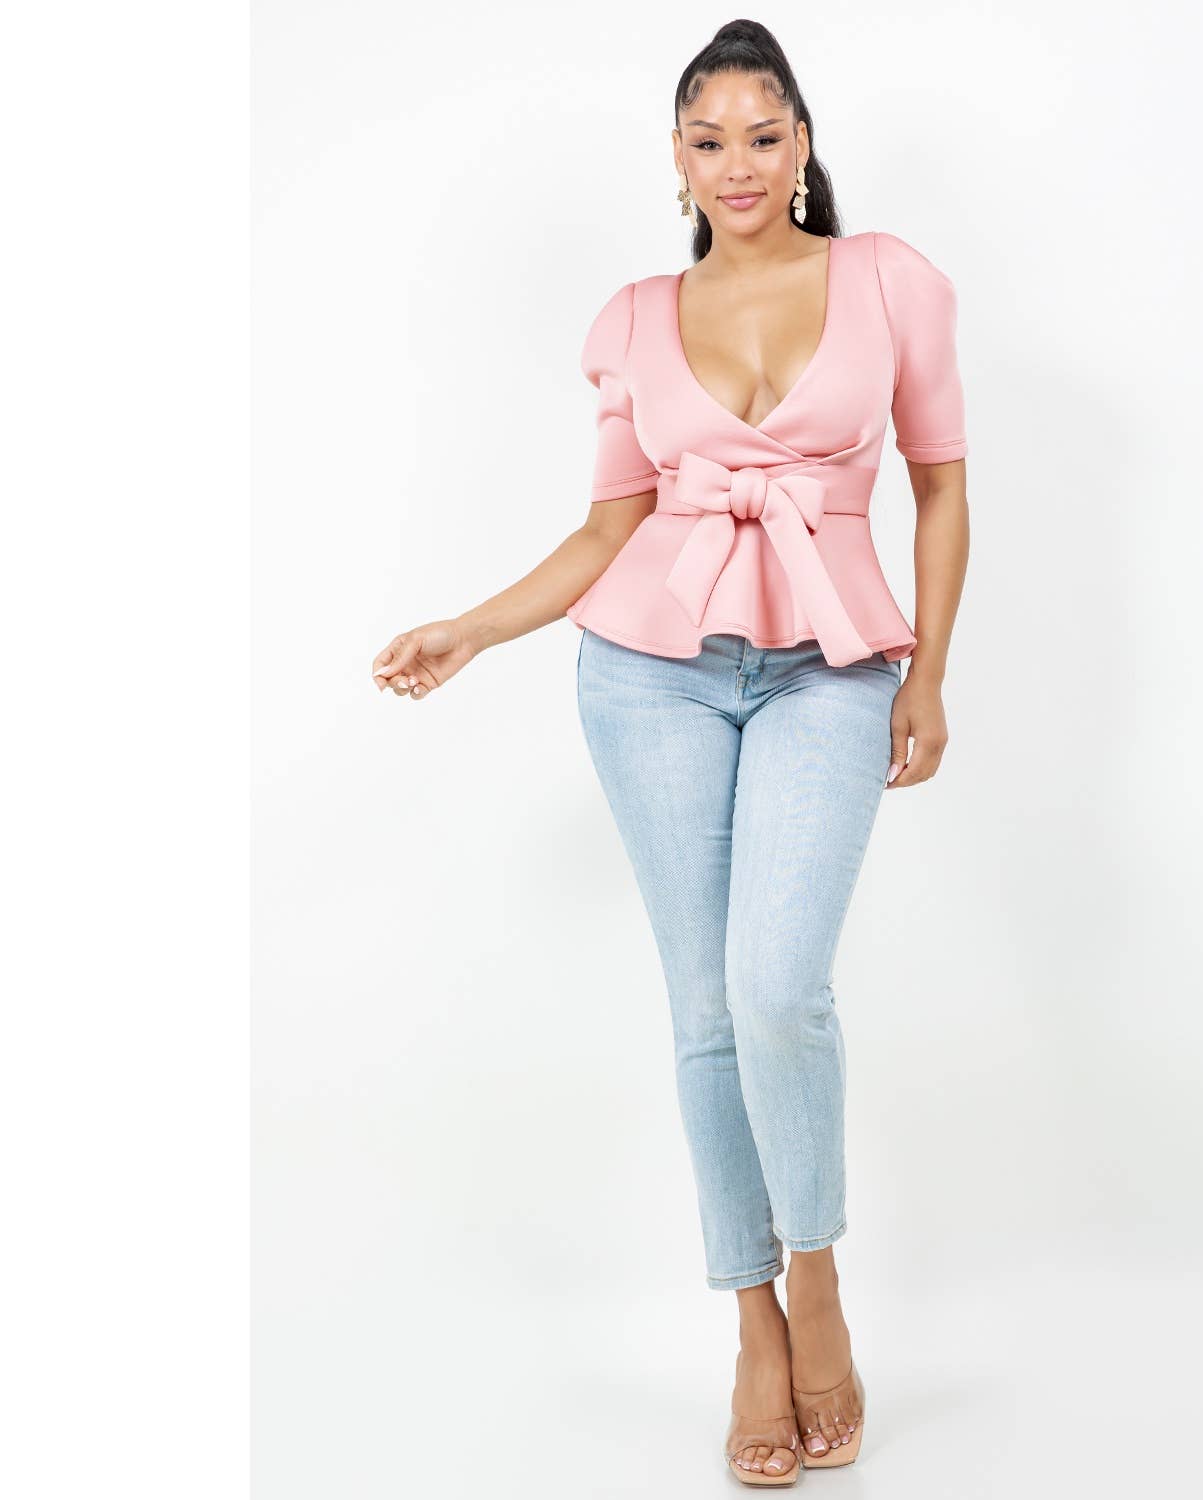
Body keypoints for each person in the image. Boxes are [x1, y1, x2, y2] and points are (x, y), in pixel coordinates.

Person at [369, 20, 970, 1487]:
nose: (738, 163)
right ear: (679, 159)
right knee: (706, 1011)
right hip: (649, 676)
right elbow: (608, 530)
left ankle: (817, 1277)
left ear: (803, 144)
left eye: (764, 135)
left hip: (832, 667)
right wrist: (472, 630)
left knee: (778, 989)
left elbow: (943, 486)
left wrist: (932, 676)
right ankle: (753, 1321)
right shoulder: (638, 316)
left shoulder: (888, 280)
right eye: (709, 140)